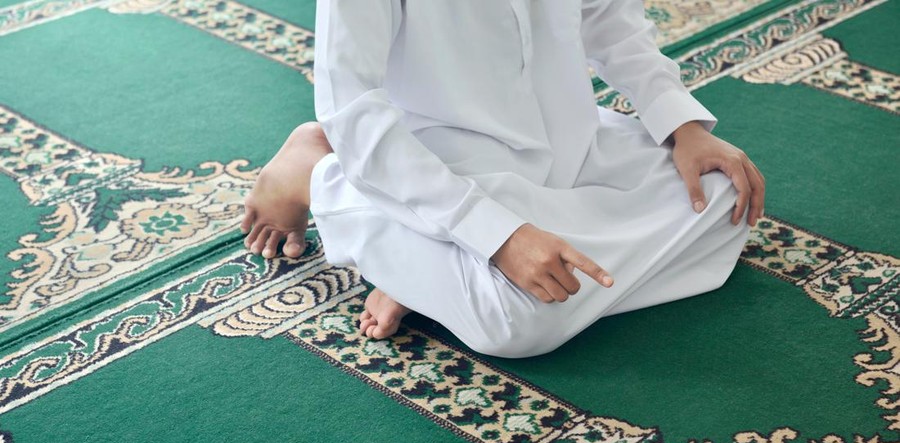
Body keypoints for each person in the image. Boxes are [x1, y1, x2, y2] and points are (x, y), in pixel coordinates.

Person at [240, 0, 765, 358]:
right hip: (441, 165)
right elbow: (352, 109)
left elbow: (613, 25)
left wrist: (683, 126)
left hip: (575, 144)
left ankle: (427, 268)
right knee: (521, 321)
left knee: (725, 196)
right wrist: (497, 236)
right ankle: (320, 173)